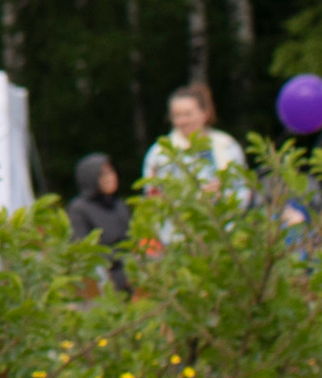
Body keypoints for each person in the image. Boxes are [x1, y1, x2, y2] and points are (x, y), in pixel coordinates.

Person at [140, 81, 247, 187]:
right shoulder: (160, 152)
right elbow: (153, 193)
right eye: (177, 115)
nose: (183, 121)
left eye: (188, 114)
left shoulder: (226, 145)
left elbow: (243, 187)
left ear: (205, 114)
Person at [65, 152, 129, 281]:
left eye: (111, 172)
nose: (109, 178)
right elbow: (82, 250)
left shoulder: (118, 204)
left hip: (129, 267)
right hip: (102, 274)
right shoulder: (78, 209)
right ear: (90, 177)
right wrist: (121, 257)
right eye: (102, 174)